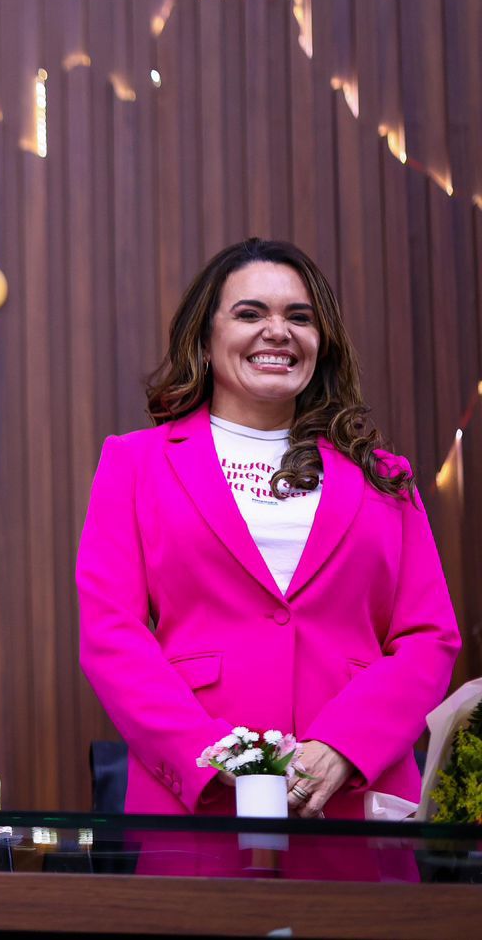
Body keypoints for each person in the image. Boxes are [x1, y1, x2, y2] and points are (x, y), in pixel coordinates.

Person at [77, 238, 458, 822]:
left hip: (354, 793)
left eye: (299, 318)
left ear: (321, 342)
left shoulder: (384, 475)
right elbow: (112, 633)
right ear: (206, 338)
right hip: (199, 796)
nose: (277, 332)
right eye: (250, 313)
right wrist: (213, 756)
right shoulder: (135, 463)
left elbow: (429, 636)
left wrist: (344, 746)